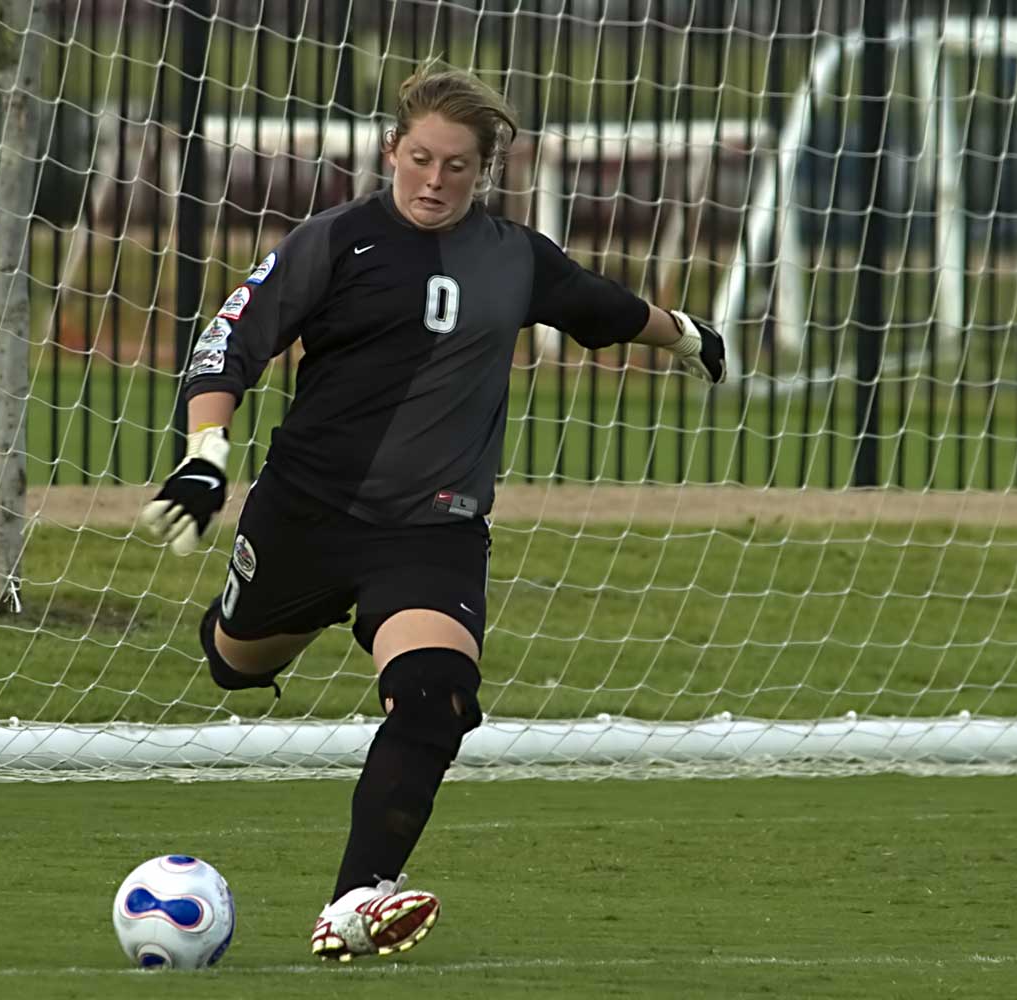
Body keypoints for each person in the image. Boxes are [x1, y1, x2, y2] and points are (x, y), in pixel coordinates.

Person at [138, 67, 725, 962]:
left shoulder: (514, 257)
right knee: (235, 663)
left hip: (431, 530)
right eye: (420, 158)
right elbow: (231, 344)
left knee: (436, 697)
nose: (435, 180)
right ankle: (237, 626)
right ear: (390, 152)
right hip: (306, 515)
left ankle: (356, 899)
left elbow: (602, 307)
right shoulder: (334, 241)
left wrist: (683, 333)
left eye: (457, 165)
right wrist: (205, 458)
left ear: (485, 170)